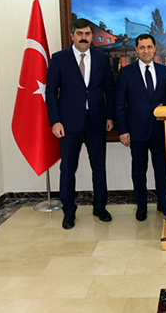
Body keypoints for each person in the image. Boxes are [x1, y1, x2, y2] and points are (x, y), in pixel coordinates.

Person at [46, 18, 115, 229]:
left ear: (92, 36)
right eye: (79, 34)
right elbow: (51, 92)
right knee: (68, 168)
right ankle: (68, 211)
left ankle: (100, 206)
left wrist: (110, 117)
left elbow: (110, 90)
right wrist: (55, 121)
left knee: (98, 166)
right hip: (68, 123)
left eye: (87, 34)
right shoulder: (59, 59)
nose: (83, 38)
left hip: (96, 120)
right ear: (72, 35)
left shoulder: (102, 58)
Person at [116, 34, 166, 221]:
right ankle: (141, 206)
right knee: (139, 171)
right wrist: (123, 130)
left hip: (160, 131)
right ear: (136, 50)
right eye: (142, 47)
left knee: (162, 170)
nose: (146, 51)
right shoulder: (126, 72)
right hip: (136, 131)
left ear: (155, 49)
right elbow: (120, 103)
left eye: (149, 47)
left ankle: (163, 203)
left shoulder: (164, 72)